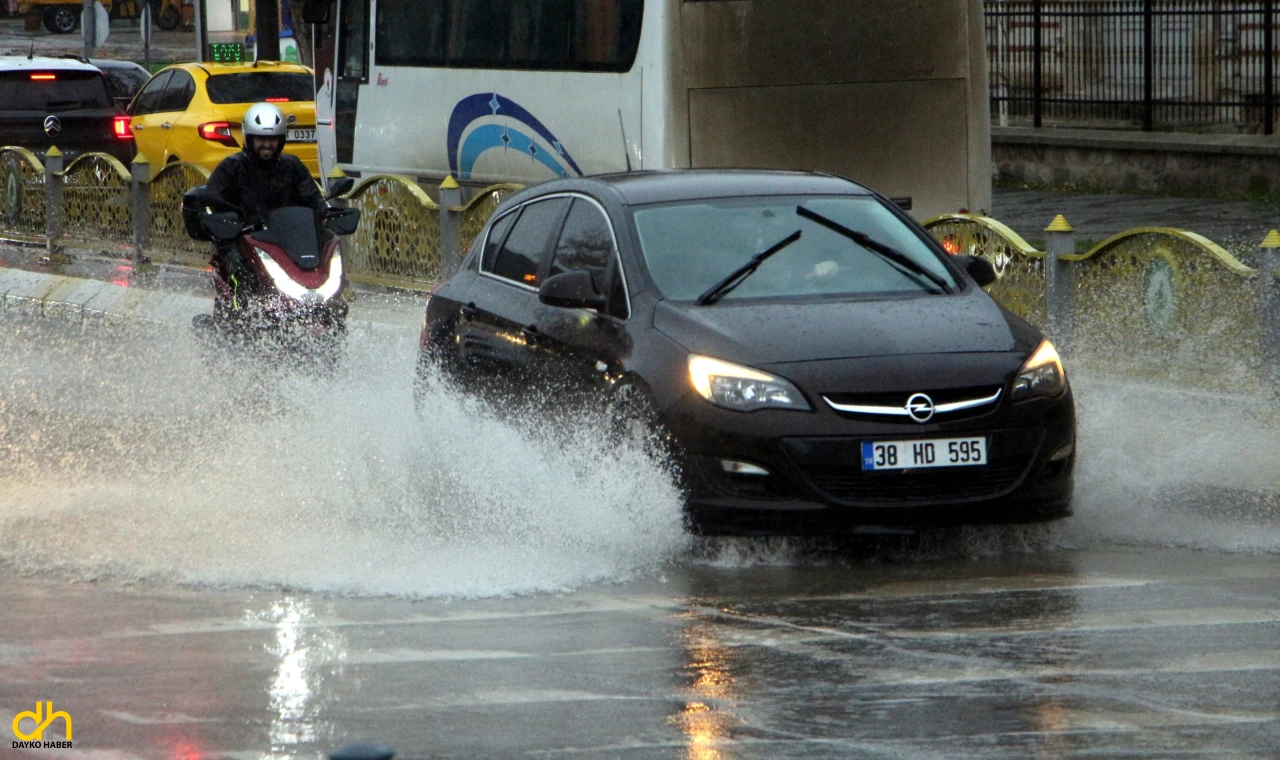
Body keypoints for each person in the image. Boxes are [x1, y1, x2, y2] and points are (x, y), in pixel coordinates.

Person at [204, 102, 326, 309]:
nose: (267, 145)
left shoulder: (292, 166)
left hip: (285, 239)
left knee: (317, 270)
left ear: (281, 140)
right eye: (261, 139)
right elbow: (210, 200)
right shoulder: (231, 167)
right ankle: (240, 316)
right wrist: (224, 223)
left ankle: (323, 310)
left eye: (272, 139)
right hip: (241, 240)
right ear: (249, 139)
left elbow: (312, 198)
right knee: (243, 276)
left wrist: (326, 213)